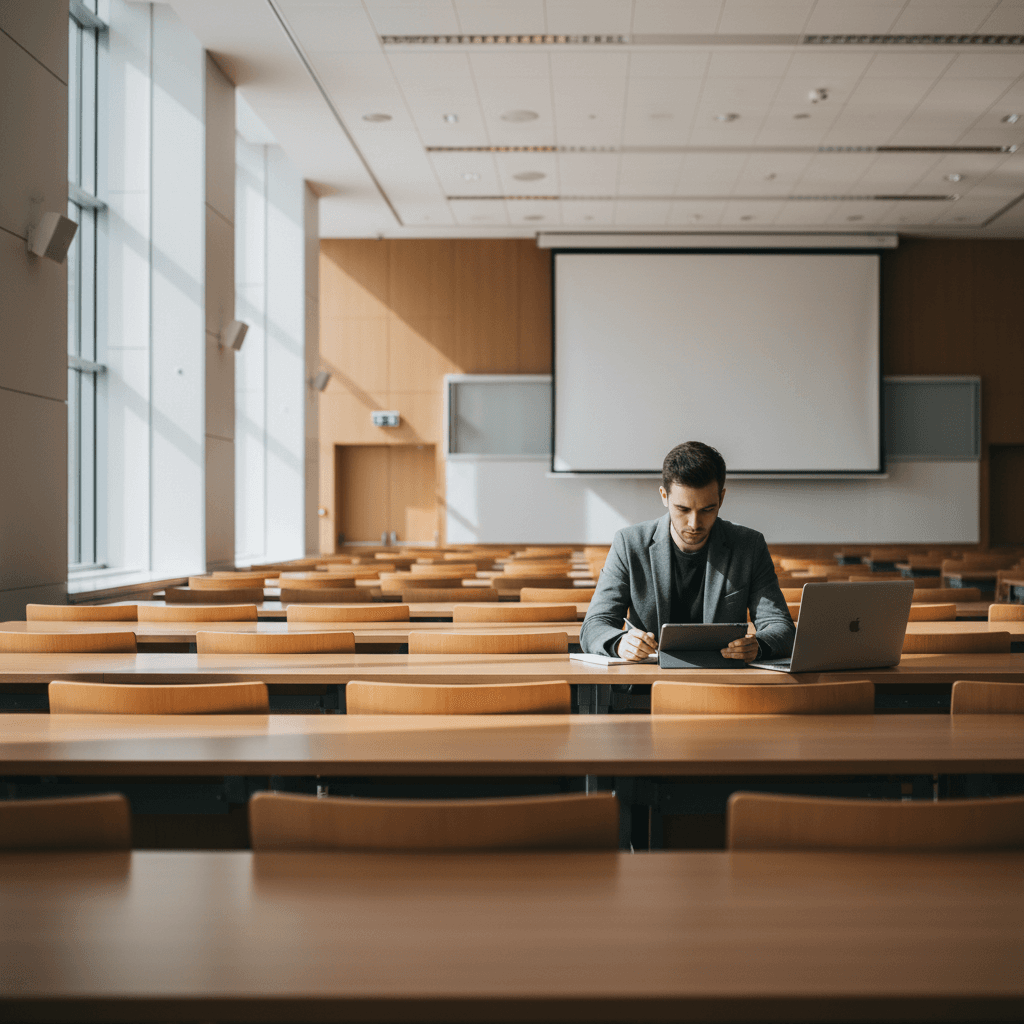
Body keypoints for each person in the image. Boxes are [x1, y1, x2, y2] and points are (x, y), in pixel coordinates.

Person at [580, 441, 795, 662]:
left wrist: (758, 646)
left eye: (707, 509)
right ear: (664, 496)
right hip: (648, 683)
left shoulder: (749, 546)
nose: (694, 523)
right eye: (683, 509)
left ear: (721, 498)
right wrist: (620, 642)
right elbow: (594, 625)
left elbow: (781, 627)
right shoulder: (630, 543)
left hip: (723, 682)